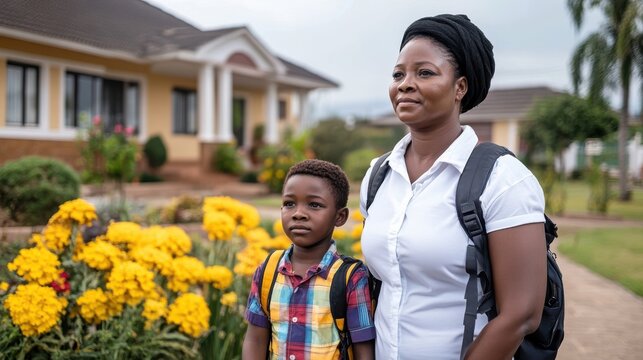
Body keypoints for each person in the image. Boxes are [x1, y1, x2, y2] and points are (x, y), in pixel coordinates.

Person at [359, 14, 547, 359]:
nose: (405, 83)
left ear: (460, 87)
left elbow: (522, 314)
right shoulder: (379, 176)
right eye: (398, 74)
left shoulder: (503, 179)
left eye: (424, 73)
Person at [243, 159, 376, 360]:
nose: (298, 214)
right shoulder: (268, 271)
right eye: (289, 204)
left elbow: (363, 348)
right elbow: (255, 339)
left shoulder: (350, 277)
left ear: (340, 217)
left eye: (314, 205)